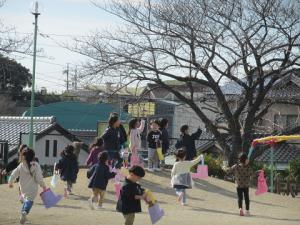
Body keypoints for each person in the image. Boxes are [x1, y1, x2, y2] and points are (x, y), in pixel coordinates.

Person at [8, 148, 47, 224]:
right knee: (29, 201)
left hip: (23, 188)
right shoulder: (36, 165)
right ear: (33, 156)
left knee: (26, 201)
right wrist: (43, 186)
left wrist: (10, 182)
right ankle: (24, 212)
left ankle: (23, 217)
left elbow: (14, 174)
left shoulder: (21, 165)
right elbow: (39, 178)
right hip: (32, 189)